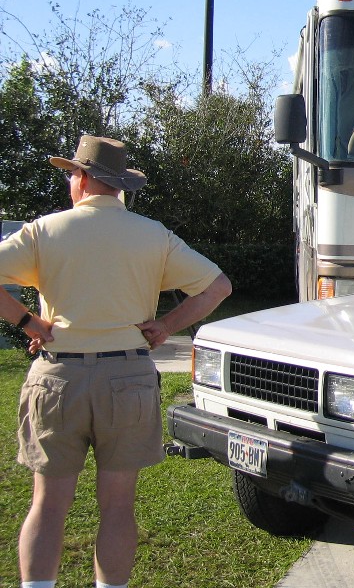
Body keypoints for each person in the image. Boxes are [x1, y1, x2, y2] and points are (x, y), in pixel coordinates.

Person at [0, 135, 232, 588]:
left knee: (47, 504)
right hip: (128, 377)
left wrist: (28, 321)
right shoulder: (153, 235)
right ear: (117, 184)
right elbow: (218, 286)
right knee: (119, 505)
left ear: (82, 179)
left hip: (57, 375)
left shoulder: (44, 230)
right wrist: (165, 327)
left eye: (72, 173)